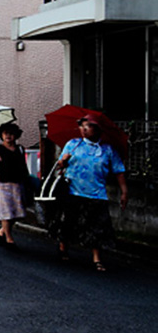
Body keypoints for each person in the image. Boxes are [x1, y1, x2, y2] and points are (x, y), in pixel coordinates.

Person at [51, 113, 128, 271]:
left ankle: (96, 258)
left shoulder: (107, 150)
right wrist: (62, 161)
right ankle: (63, 247)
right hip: (72, 191)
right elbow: (59, 166)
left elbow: (119, 171)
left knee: (97, 226)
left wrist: (124, 192)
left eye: (88, 126)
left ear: (98, 129)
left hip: (96, 193)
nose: (84, 129)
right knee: (68, 222)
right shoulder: (73, 144)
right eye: (82, 126)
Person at [0, 121, 29, 248]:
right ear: (1, 135)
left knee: (17, 212)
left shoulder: (20, 149)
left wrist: (27, 181)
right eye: (5, 134)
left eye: (11, 134)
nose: (8, 136)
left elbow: (23, 167)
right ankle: (9, 238)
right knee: (6, 211)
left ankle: (1, 232)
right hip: (3, 183)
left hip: (17, 183)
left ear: (16, 136)